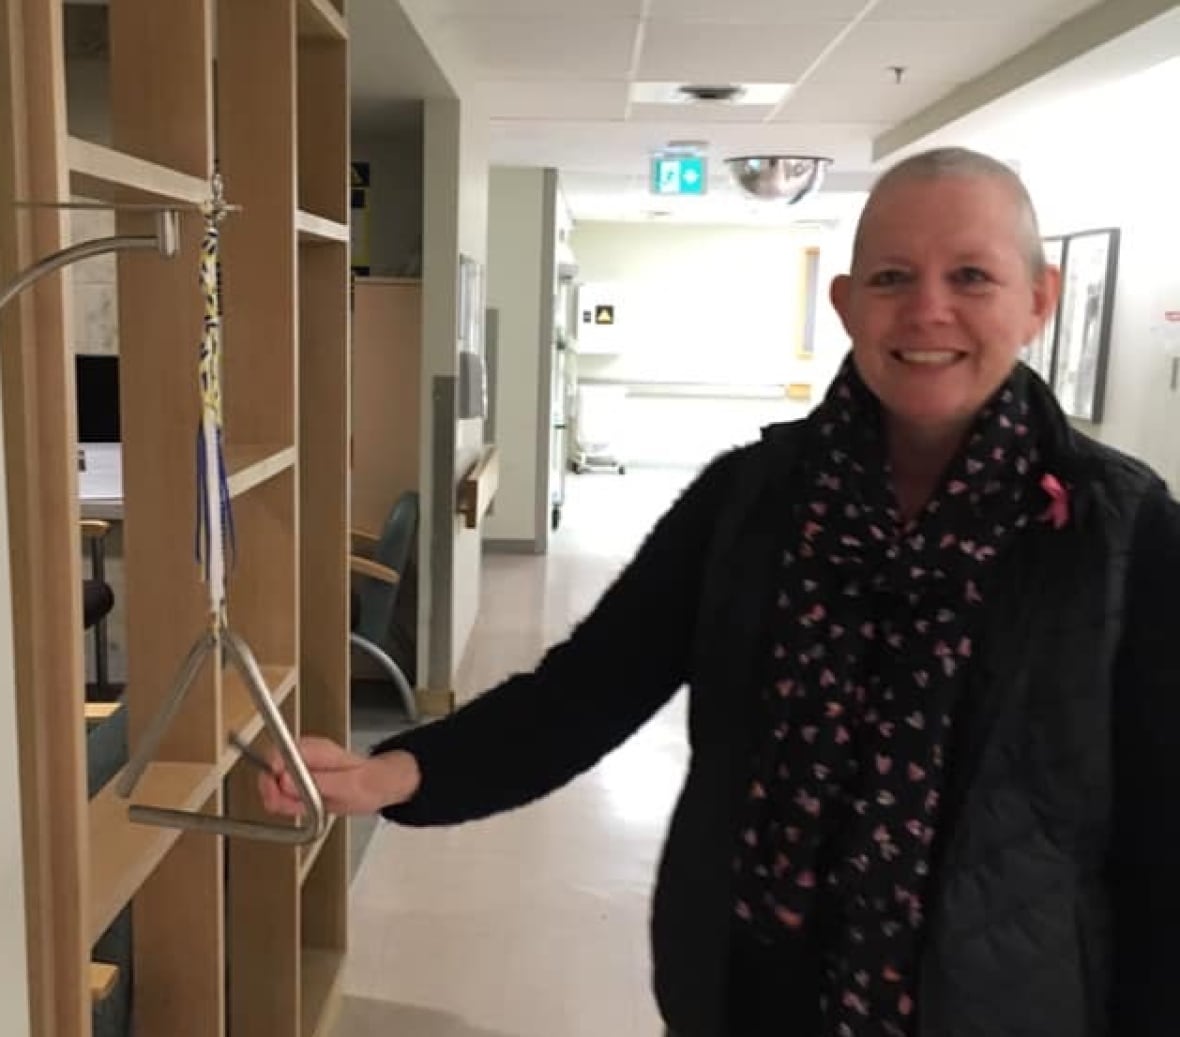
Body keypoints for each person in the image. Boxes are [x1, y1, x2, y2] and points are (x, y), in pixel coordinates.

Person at [260, 146, 1180, 1037]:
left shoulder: (1124, 535)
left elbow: (1157, 843)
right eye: (892, 278)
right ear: (847, 303)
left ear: (1039, 302)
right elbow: (591, 686)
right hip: (749, 996)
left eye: (972, 277)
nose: (927, 311)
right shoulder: (752, 499)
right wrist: (396, 771)